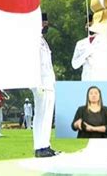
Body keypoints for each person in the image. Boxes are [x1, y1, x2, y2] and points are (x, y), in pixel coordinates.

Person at [32, 13, 60, 157]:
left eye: (46, 23)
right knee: (41, 115)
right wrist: (36, 83)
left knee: (46, 115)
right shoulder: (33, 41)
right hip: (41, 83)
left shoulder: (43, 41)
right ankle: (40, 147)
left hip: (48, 82)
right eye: (43, 23)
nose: (45, 25)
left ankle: (44, 145)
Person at [71, 14, 102, 80]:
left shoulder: (104, 40)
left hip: (100, 77)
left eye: (91, 25)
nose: (90, 27)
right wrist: (85, 55)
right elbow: (74, 65)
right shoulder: (80, 43)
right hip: (86, 78)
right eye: (88, 25)